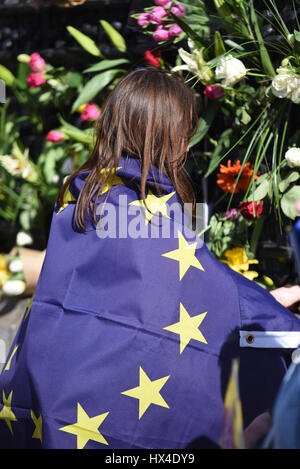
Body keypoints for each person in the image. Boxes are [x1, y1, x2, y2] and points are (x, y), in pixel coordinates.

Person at [0, 67, 300, 450]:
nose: (189, 147)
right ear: (171, 139)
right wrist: (272, 314)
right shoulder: (150, 214)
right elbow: (209, 291)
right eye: (186, 134)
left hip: (51, 395)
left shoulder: (79, 201)